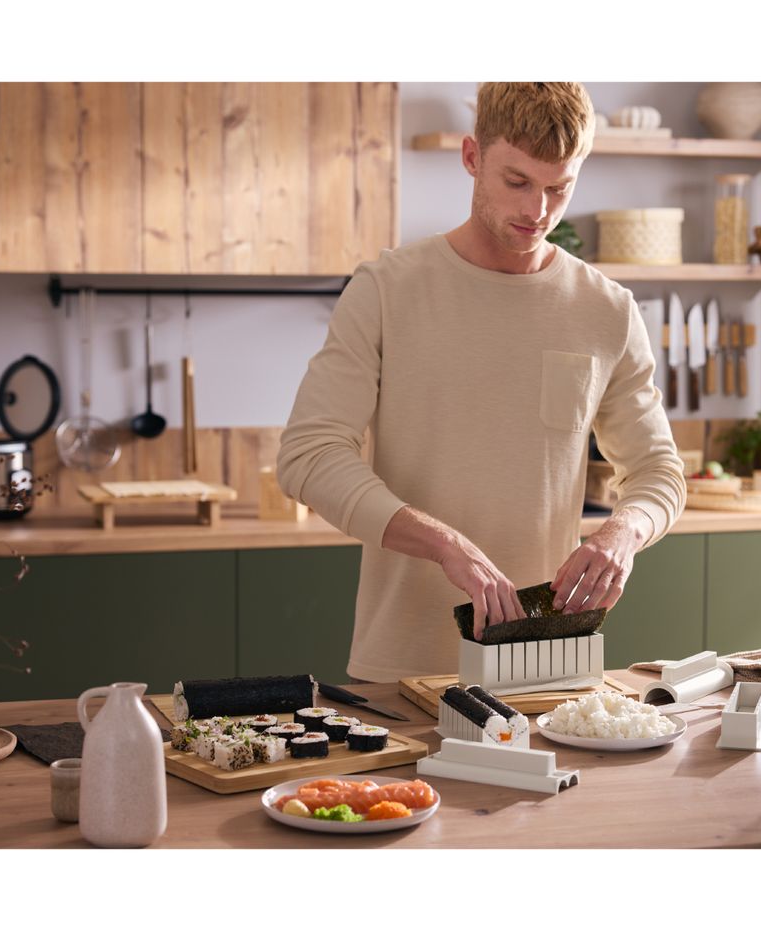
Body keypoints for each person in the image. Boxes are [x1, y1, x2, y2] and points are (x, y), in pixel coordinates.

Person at [277, 82, 685, 682]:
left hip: (545, 668)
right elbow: (308, 457)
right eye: (516, 182)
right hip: (402, 668)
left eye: (558, 188)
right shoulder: (387, 290)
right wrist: (447, 545)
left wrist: (622, 533)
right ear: (472, 157)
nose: (538, 211)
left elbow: (658, 472)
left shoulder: (607, 310)